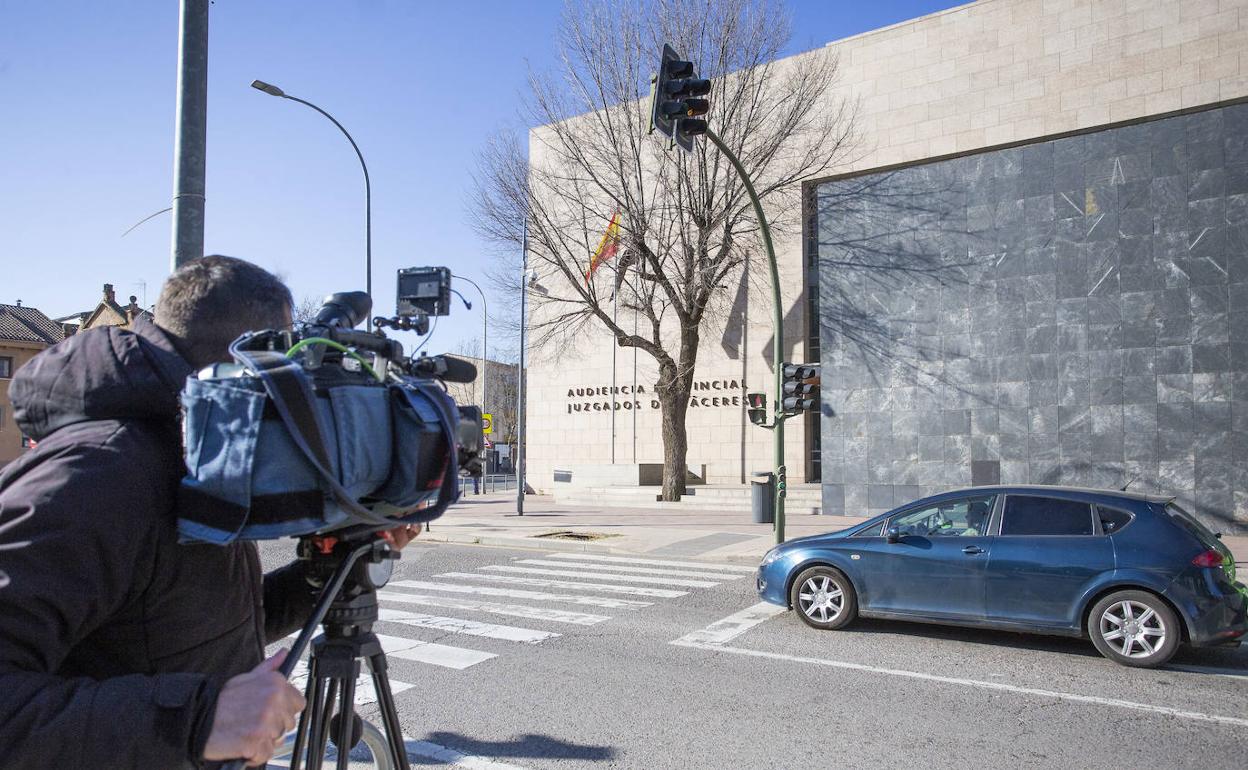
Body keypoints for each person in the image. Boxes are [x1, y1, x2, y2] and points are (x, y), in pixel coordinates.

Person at [0, 256, 420, 769]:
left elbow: (202, 624)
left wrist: (332, 566)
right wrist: (197, 721)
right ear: (251, 357)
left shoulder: (200, 454)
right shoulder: (97, 475)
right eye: (287, 362)